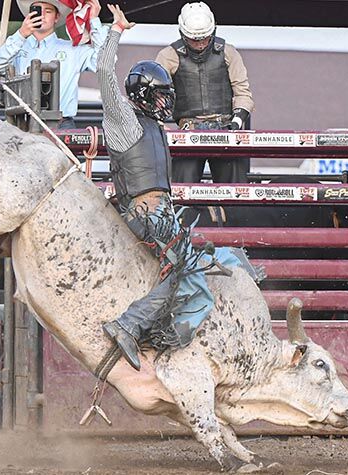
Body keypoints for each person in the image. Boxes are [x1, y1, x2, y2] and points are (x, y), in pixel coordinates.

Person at [95, 4, 254, 372]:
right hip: (144, 212)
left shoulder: (154, 126)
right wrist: (115, 31)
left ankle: (171, 331)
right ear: (146, 94)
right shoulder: (123, 118)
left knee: (209, 262)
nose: (169, 100)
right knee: (184, 268)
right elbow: (104, 71)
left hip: (159, 212)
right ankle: (134, 326)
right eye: (162, 94)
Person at [155, 1, 254, 184]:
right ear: (183, 34)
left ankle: (232, 214)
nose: (200, 44)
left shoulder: (229, 53)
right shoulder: (168, 56)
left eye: (205, 38)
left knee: (234, 191)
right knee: (182, 190)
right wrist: (159, 123)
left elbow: (243, 93)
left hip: (225, 127)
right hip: (187, 130)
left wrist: (236, 121)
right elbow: (155, 94)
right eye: (194, 39)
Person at [0, 0, 107, 130]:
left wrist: (94, 20)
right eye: (37, 10)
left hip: (60, 124)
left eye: (48, 11)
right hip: (21, 123)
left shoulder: (72, 49)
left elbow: (104, 63)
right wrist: (21, 34)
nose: (42, 15)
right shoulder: (15, 46)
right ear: (29, 15)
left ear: (57, 17)